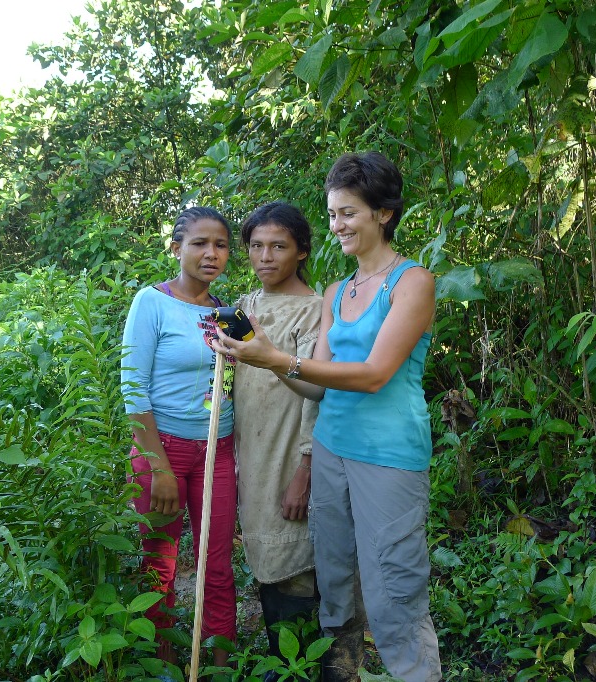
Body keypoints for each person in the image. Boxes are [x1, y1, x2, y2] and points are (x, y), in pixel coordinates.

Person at [213, 153, 442, 682]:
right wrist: (261, 355)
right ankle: (343, 673)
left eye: (348, 212)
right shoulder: (337, 293)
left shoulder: (412, 283)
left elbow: (374, 373)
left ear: (383, 214)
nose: (337, 224)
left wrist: (279, 360)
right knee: (335, 585)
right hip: (334, 450)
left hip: (388, 455)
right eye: (333, 213)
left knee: (394, 589)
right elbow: (315, 383)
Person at [232, 202, 365, 681]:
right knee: (268, 557)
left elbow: (319, 396)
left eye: (279, 247)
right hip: (255, 455)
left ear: (302, 251)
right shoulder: (245, 307)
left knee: (299, 559)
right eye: (256, 247)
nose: (266, 257)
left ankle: (316, 665)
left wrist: (306, 468)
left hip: (293, 453)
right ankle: (283, 661)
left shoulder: (314, 311)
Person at [121, 206, 237, 675]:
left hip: (220, 451)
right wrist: (158, 466)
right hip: (162, 449)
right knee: (160, 564)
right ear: (176, 248)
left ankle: (221, 664)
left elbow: (240, 379)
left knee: (217, 563)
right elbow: (133, 386)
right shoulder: (151, 302)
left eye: (221, 245)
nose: (212, 254)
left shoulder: (227, 313)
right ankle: (163, 662)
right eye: (199, 244)